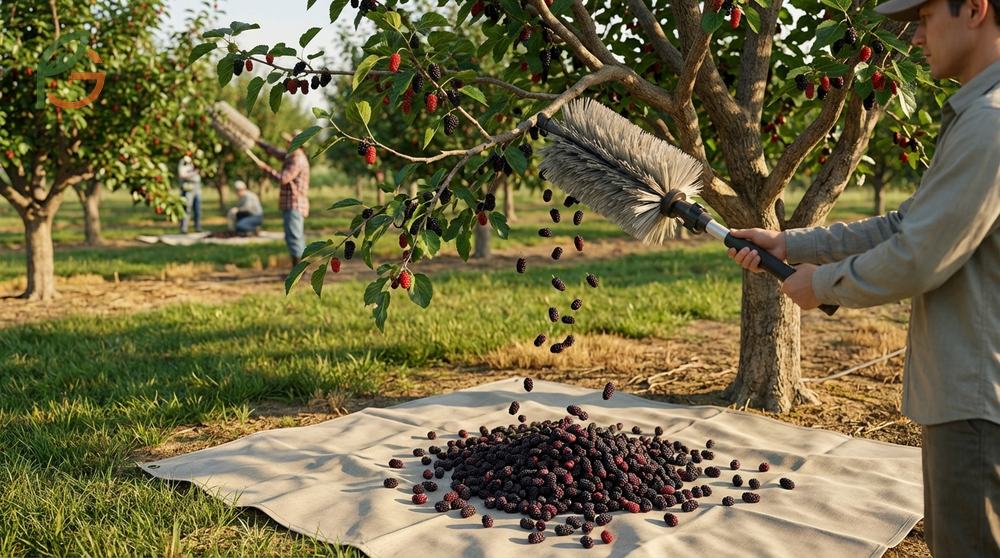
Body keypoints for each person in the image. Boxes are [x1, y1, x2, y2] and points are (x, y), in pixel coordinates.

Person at [727, 1, 999, 555]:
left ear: (974, 9)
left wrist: (819, 286)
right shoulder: (979, 117)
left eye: (923, 19)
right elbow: (909, 223)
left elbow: (920, 255)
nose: (916, 38)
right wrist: (793, 243)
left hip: (974, 398)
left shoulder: (990, 123)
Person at [256, 131, 310, 265]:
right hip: (293, 204)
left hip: (294, 204)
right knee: (295, 236)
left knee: (294, 237)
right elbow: (275, 152)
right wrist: (259, 142)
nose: (286, 144)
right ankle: (299, 269)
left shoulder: (297, 159)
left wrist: (265, 169)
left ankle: (299, 271)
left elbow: (283, 178)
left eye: (289, 142)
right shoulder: (292, 156)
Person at [177, 155, 202, 234]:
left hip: (196, 187)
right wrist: (194, 173)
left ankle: (197, 227)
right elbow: (182, 175)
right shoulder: (183, 163)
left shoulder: (195, 162)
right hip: (188, 187)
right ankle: (184, 228)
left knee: (197, 208)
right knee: (187, 208)